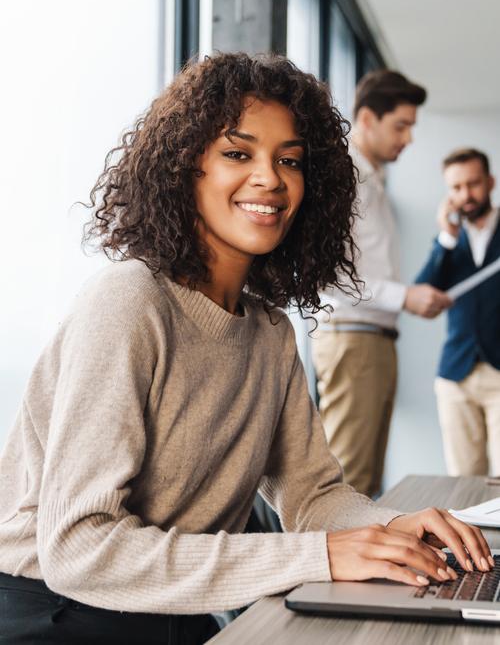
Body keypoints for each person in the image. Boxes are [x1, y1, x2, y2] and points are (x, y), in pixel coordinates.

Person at [0, 54, 491, 645]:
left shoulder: (270, 332)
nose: (270, 178)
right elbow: (79, 549)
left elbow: (314, 496)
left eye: (290, 160)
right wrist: (318, 557)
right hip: (58, 613)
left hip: (177, 609)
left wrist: (395, 527)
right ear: (187, 168)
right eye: (239, 154)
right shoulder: (129, 300)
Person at [312, 70, 452, 497]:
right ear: (368, 119)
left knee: (365, 482)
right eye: (401, 126)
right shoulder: (347, 178)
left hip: (372, 339)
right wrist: (404, 296)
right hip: (354, 339)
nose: (408, 138)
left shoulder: (372, 179)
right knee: (348, 482)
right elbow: (329, 275)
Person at [415, 147, 500, 476]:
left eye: (474, 184)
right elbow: (422, 293)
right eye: (456, 187)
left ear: (490, 182)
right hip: (456, 374)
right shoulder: (448, 241)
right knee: (463, 479)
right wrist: (446, 239)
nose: (466, 194)